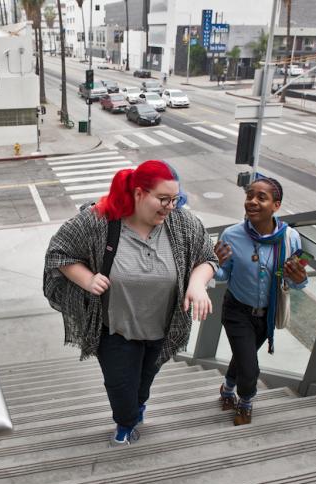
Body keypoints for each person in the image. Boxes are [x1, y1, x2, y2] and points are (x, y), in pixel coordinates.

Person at [44, 160, 218, 446]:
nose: (170, 206)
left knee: (144, 382)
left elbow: (206, 257)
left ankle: (137, 407)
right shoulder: (99, 221)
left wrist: (197, 284)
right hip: (115, 330)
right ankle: (126, 420)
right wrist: (86, 279)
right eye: (163, 199)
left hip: (162, 330)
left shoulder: (181, 224)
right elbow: (59, 253)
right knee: (121, 387)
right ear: (139, 194)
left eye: (175, 199)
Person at [213, 177, 308, 426]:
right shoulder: (231, 235)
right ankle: (245, 402)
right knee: (250, 366)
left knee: (244, 358)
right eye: (249, 196)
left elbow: (297, 282)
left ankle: (226, 389)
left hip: (266, 315)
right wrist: (216, 265)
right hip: (236, 311)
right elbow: (224, 275)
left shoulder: (292, 238)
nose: (252, 202)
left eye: (261, 197)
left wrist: (300, 278)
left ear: (276, 205)